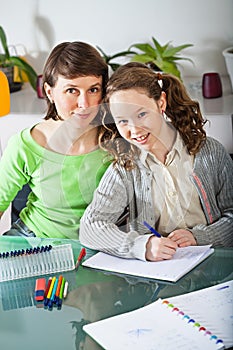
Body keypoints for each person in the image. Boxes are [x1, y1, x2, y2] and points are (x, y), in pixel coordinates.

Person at [80, 62, 233, 261]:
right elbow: (90, 226)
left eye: (142, 114)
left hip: (213, 262)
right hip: (158, 271)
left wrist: (200, 236)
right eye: (122, 120)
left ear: (161, 103)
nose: (134, 130)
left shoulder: (210, 152)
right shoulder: (125, 166)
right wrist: (141, 246)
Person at [0, 41, 111, 239]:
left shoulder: (116, 139)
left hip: (101, 246)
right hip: (34, 240)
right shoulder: (27, 144)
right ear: (49, 92)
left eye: (93, 90)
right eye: (71, 90)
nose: (84, 104)